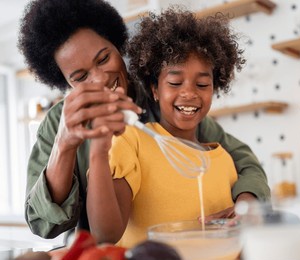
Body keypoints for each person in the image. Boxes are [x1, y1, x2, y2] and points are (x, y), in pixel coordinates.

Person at [17, 0, 270, 240]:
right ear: (65, 82)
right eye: (80, 76)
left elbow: (244, 162)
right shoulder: (58, 123)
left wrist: (246, 203)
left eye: (104, 58)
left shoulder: (165, 103)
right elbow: (42, 224)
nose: (100, 79)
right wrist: (65, 145)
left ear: (118, 45)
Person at [87, 6, 249, 247]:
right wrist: (99, 152)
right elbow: (105, 235)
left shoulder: (224, 160)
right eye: (175, 82)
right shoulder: (133, 142)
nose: (189, 93)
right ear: (154, 89)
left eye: (203, 84)